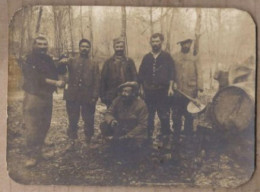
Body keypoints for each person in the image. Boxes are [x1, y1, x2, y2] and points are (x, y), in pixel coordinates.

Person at [21, 35, 65, 167]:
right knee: (32, 127)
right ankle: (31, 156)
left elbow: (55, 72)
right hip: (34, 96)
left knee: (44, 125)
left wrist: (62, 64)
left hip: (47, 96)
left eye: (44, 44)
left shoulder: (48, 58)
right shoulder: (28, 59)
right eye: (39, 44)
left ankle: (39, 152)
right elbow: (37, 78)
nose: (42, 47)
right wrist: (55, 82)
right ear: (34, 46)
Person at [58, 39, 100, 144]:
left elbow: (97, 80)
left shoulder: (94, 63)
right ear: (79, 48)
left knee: (89, 118)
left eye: (87, 47)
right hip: (73, 95)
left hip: (88, 95)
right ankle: (72, 139)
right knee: (72, 118)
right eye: (82, 46)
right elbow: (61, 71)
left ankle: (88, 139)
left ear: (90, 49)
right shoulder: (71, 60)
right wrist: (62, 63)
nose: (84, 48)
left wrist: (95, 95)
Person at [138, 33, 175, 145]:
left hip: (163, 92)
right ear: (150, 43)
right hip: (149, 92)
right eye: (153, 41)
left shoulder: (166, 57)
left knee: (164, 116)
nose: (155, 44)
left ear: (161, 42)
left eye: (157, 41)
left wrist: (170, 88)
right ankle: (148, 138)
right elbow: (141, 75)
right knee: (149, 116)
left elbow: (172, 73)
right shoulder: (146, 57)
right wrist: (141, 89)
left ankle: (165, 138)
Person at [171, 38, 203, 141]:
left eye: (188, 43)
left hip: (191, 91)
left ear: (191, 44)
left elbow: (199, 73)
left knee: (189, 115)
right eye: (184, 43)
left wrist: (199, 88)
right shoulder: (175, 56)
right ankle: (176, 134)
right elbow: (171, 72)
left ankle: (188, 136)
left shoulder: (195, 57)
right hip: (177, 92)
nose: (186, 45)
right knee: (176, 114)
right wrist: (172, 84)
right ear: (180, 44)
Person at [100, 37, 138, 108]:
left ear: (124, 47)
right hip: (111, 95)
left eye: (121, 47)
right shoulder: (108, 62)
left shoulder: (129, 61)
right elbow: (103, 80)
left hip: (127, 94)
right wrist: (103, 96)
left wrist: (134, 92)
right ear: (114, 47)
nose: (119, 49)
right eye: (117, 47)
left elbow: (135, 77)